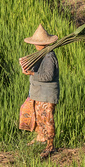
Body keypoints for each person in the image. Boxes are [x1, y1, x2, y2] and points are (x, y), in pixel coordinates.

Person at [20, 24, 60, 158]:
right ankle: (41, 140)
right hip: (38, 93)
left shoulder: (49, 57)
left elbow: (48, 77)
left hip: (46, 95)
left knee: (47, 119)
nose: (35, 45)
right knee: (39, 119)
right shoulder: (41, 55)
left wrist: (31, 73)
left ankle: (50, 146)